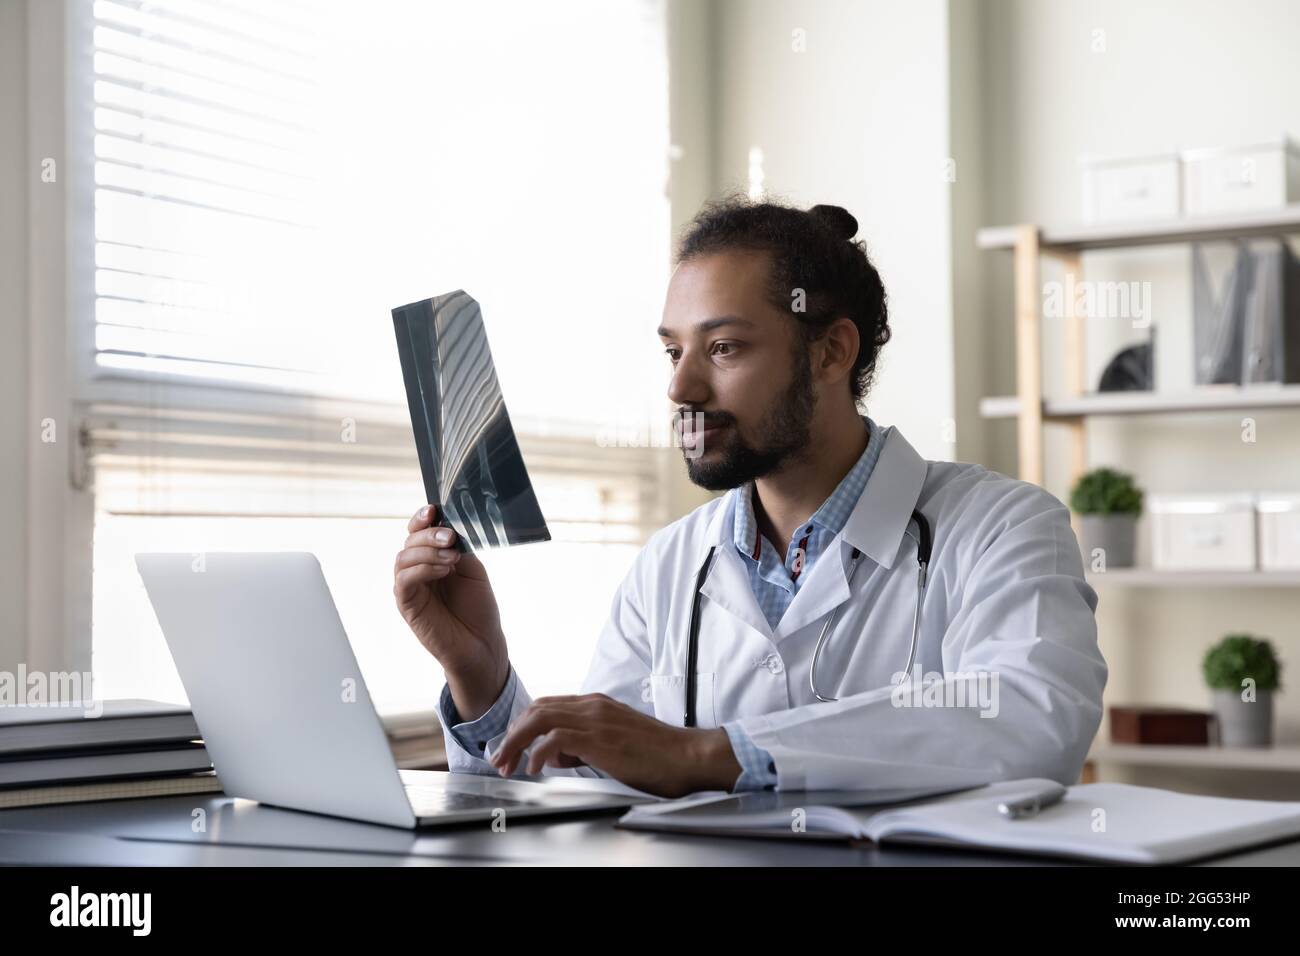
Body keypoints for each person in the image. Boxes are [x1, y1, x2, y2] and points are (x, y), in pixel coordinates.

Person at [393, 196, 1107, 798]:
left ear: (831, 352)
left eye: (724, 348)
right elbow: (594, 794)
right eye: (674, 351)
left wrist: (711, 754)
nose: (681, 388)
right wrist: (480, 680)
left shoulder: (1003, 527)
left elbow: (1029, 724)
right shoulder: (670, 565)